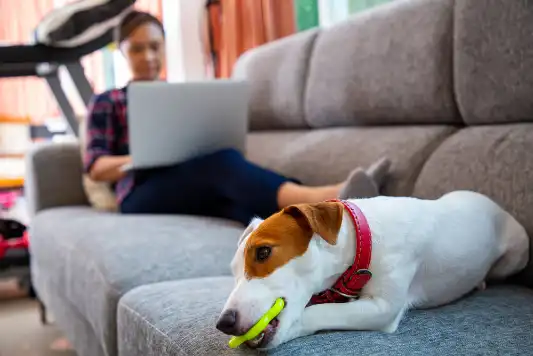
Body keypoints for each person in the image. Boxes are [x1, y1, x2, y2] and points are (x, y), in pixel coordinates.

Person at [84, 10, 390, 225]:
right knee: (224, 165)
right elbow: (96, 168)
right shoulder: (107, 101)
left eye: (154, 47)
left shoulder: (177, 97)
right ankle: (328, 197)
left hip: (185, 178)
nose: (148, 57)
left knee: (236, 203)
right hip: (138, 194)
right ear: (122, 51)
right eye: (138, 49)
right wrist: (142, 158)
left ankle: (324, 223)